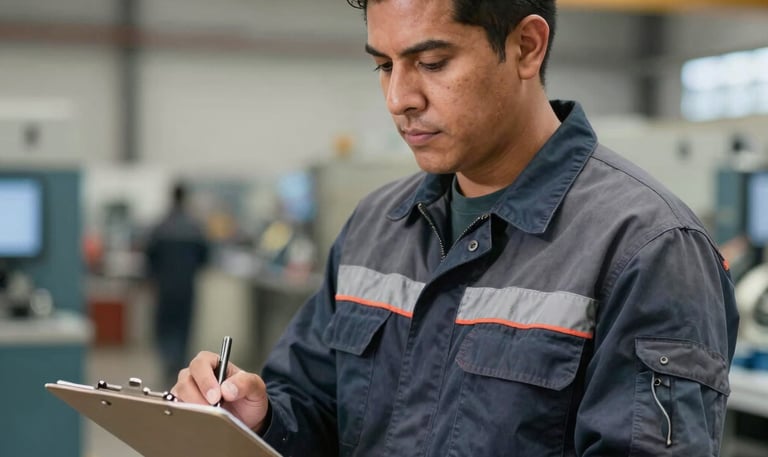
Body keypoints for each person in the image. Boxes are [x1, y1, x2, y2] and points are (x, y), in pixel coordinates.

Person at [173, 1, 739, 455]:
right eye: (384, 64)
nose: (399, 98)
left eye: (433, 62)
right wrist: (262, 417)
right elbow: (313, 404)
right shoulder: (375, 228)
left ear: (526, 47)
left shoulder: (647, 248)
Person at [146, 181, 209, 387]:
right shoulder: (194, 227)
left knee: (165, 326)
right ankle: (181, 366)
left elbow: (149, 258)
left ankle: (168, 363)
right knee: (184, 327)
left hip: (164, 287)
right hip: (186, 286)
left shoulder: (160, 226)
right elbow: (205, 258)